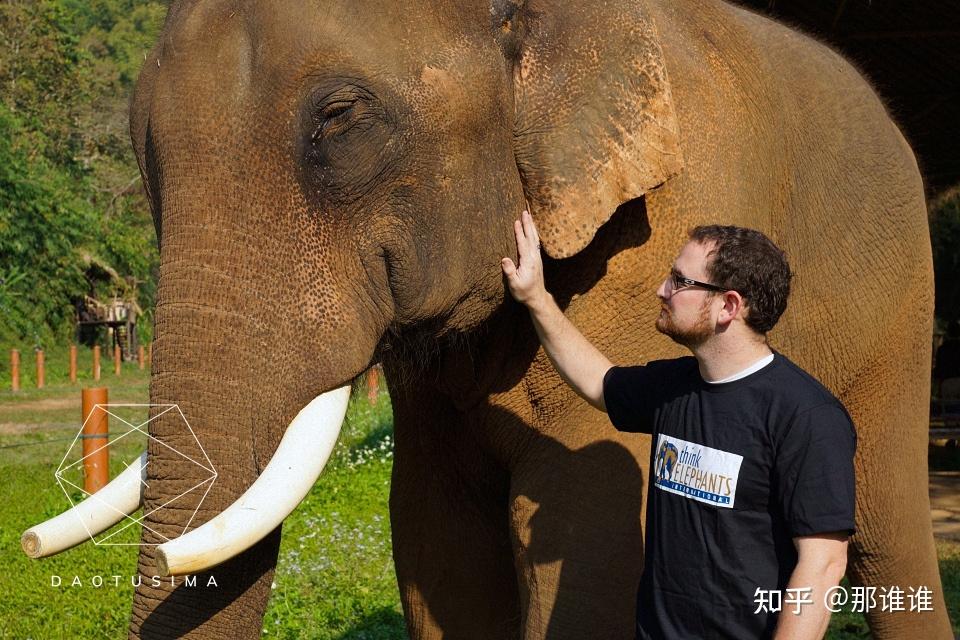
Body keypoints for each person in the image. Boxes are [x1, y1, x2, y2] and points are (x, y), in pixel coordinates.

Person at [501, 211, 856, 640]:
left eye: (679, 281)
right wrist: (536, 297)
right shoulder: (674, 387)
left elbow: (822, 565)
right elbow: (599, 381)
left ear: (728, 306)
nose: (661, 290)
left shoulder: (806, 417)